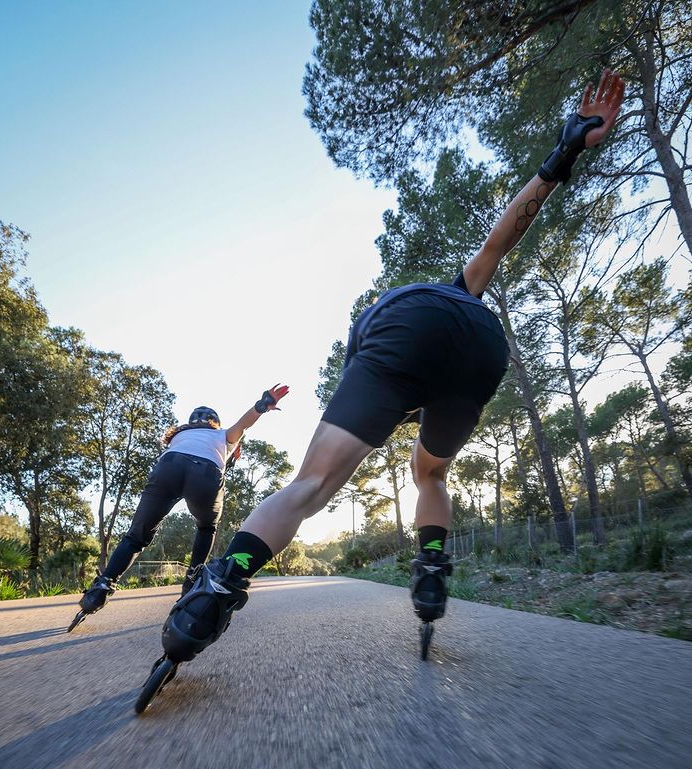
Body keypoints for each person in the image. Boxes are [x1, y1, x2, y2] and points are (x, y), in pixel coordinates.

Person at [157, 70, 625, 665]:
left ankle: (221, 585)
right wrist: (564, 154)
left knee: (309, 487)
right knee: (428, 472)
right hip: (481, 341)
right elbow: (498, 244)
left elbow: (491, 250)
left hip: (404, 325)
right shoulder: (464, 293)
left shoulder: (374, 347)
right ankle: (430, 567)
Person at [71, 384, 289, 622]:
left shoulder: (178, 435)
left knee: (136, 537)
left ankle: (101, 587)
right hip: (205, 474)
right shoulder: (221, 434)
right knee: (206, 527)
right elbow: (242, 424)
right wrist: (262, 405)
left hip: (169, 468)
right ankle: (191, 584)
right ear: (214, 422)